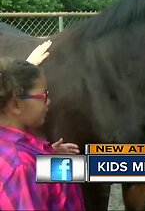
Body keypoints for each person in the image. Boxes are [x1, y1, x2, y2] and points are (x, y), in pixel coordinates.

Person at [0, 58, 85, 210]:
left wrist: (48, 153)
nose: (49, 101)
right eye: (43, 96)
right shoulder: (21, 168)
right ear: (16, 104)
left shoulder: (13, 146)